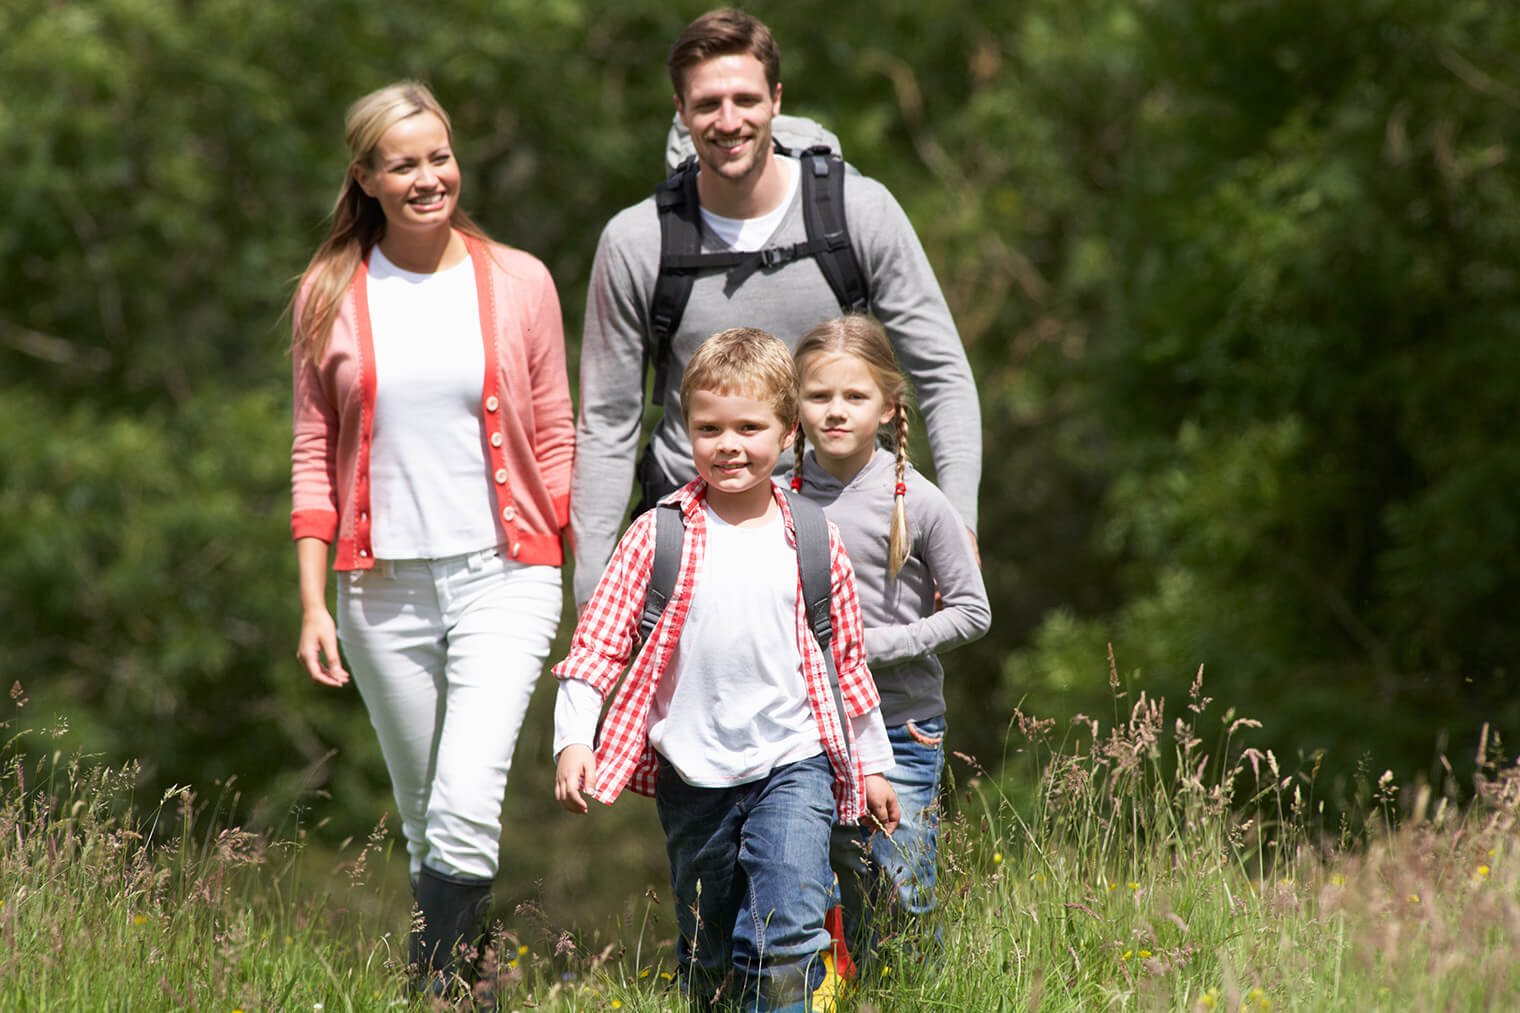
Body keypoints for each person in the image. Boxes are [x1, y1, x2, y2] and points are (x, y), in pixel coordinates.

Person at [288, 81, 574, 994]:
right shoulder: (328, 291)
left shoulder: (519, 279)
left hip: (507, 573)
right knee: (421, 820)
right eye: (403, 164)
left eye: (439, 157)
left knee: (460, 806)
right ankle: (472, 980)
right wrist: (310, 600)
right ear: (366, 177)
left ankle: (433, 992)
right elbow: (311, 450)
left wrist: (578, 560)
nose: (428, 178)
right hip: (379, 591)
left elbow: (560, 433)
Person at [570, 7, 982, 606]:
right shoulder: (637, 242)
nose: (728, 120)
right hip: (697, 543)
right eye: (708, 104)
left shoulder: (858, 213)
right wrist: (593, 588)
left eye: (746, 99)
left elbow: (941, 373)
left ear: (776, 101)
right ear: (681, 113)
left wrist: (958, 526)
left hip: (849, 536)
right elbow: (607, 423)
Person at [552, 328, 901, 1012]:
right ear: (687, 432)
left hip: (794, 761)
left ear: (788, 430)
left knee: (788, 930)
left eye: (749, 426)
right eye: (709, 428)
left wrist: (872, 763)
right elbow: (595, 648)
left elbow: (846, 663)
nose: (729, 444)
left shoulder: (813, 534)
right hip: (694, 771)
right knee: (708, 950)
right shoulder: (660, 534)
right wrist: (573, 740)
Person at [791, 315, 991, 970]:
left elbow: (971, 610)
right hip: (800, 730)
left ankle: (908, 992)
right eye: (819, 396)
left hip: (902, 725)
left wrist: (873, 645)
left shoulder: (920, 499)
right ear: (796, 404)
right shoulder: (776, 498)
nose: (836, 411)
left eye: (854, 396)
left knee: (900, 889)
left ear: (888, 405)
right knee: (813, 888)